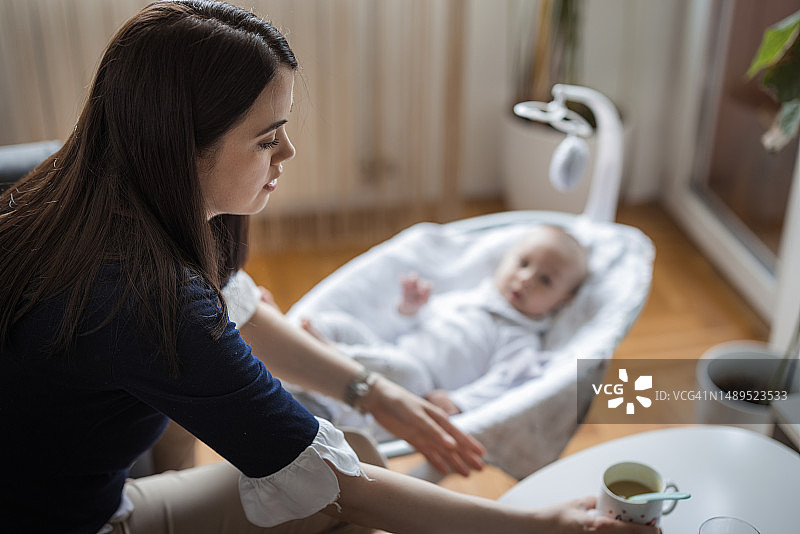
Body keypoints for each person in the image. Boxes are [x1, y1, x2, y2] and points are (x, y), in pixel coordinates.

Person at [0, 1, 656, 533]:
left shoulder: (64, 183)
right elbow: (336, 483)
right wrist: (544, 526)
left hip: (47, 480)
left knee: (351, 447)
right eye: (267, 137)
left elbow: (237, 310)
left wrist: (374, 391)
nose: (288, 151)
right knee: (351, 471)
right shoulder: (148, 301)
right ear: (183, 147)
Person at [296, 225, 589, 435]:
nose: (526, 279)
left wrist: (459, 403)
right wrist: (409, 310)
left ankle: (323, 356)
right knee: (340, 324)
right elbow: (406, 329)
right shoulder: (470, 296)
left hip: (418, 386)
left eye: (545, 280)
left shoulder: (520, 339)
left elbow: (504, 384)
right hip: (387, 352)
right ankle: (294, 342)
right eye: (523, 263)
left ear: (562, 301)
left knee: (407, 371)